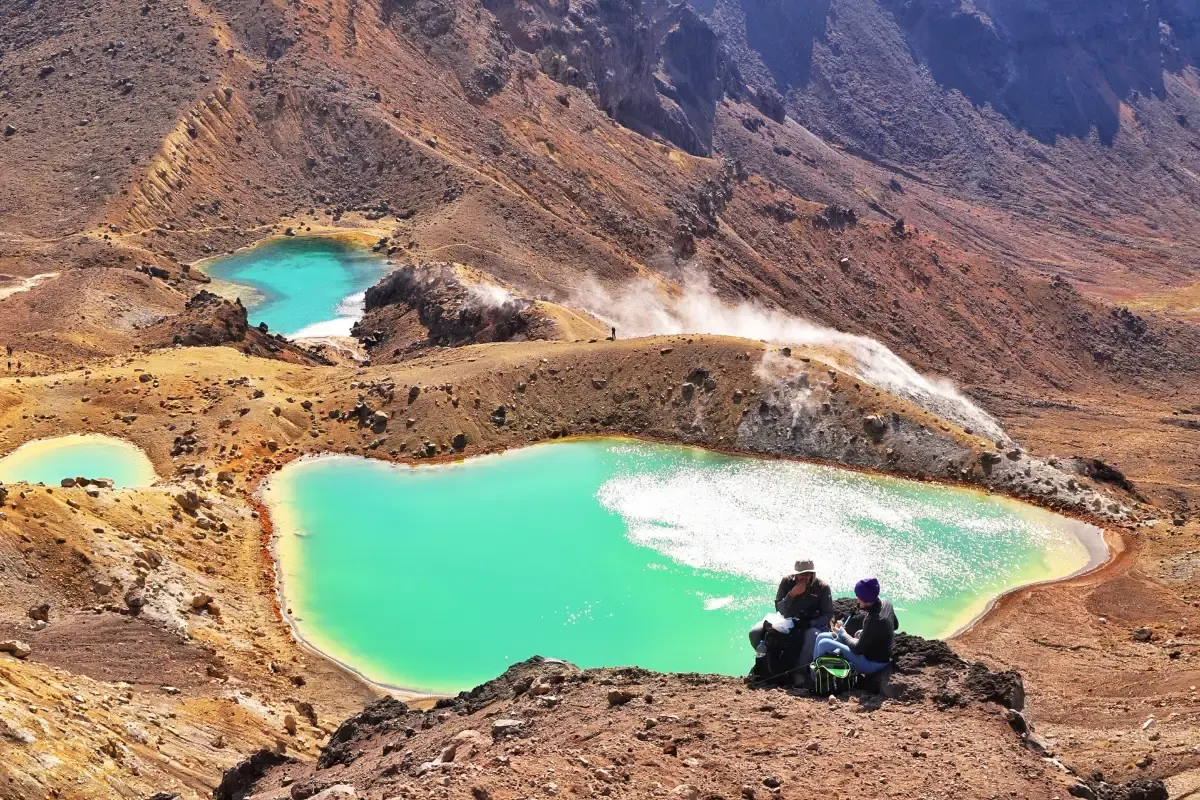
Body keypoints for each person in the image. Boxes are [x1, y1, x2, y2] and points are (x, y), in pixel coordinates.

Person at [749, 559, 833, 680]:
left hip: (810, 623)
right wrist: (792, 594)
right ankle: (766, 665)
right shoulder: (787, 581)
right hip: (788, 620)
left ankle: (799, 672)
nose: (804, 577)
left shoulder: (822, 587)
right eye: (801, 574)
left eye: (808, 573)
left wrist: (809, 623)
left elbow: (828, 615)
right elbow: (780, 609)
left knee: (812, 636)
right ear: (796, 574)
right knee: (755, 632)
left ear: (812, 573)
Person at [813, 577, 898, 676]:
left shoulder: (874, 619)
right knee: (821, 636)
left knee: (824, 643)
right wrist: (870, 635)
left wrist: (843, 633)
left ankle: (818, 679)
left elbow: (858, 649)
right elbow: (895, 625)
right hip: (872, 652)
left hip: (873, 663)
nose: (857, 599)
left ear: (864, 598)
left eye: (858, 596)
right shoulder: (886, 603)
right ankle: (814, 675)